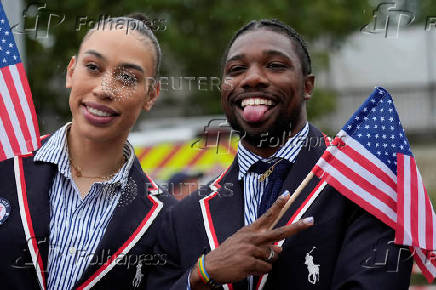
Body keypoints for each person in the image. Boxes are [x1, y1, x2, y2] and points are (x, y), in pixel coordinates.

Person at [147, 19, 413, 289]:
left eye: (275, 65)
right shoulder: (183, 218)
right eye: (237, 69)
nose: (252, 78)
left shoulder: (367, 187)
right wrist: (202, 274)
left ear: (307, 86)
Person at [0, 14, 175, 289]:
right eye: (93, 67)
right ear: (71, 71)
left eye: (128, 78)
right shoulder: (6, 164)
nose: (104, 90)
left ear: (151, 95)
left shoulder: (164, 219)